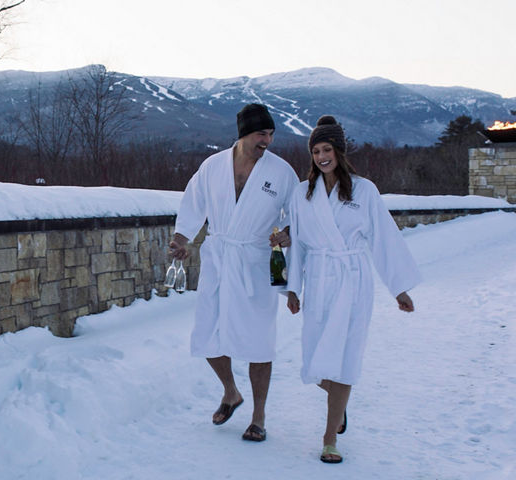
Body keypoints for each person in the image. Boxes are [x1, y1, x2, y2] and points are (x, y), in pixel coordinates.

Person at [284, 115, 421, 463]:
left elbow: (384, 239)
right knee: (315, 361)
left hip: (353, 279)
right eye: (315, 151)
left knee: (344, 357)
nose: (321, 156)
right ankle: (338, 402)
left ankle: (330, 438)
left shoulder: (365, 190)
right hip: (317, 276)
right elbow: (297, 242)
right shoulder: (302, 193)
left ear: (340, 151)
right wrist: (292, 288)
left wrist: (399, 288)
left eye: (326, 149)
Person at [169, 103, 299, 442]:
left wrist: (288, 232)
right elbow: (193, 203)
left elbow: (297, 214)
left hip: (258, 259)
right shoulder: (212, 167)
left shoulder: (282, 172)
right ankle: (230, 392)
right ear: (243, 134)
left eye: (271, 134)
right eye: (261, 134)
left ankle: (258, 416)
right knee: (207, 334)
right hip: (219, 257)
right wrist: (183, 238)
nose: (267, 141)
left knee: (259, 341)